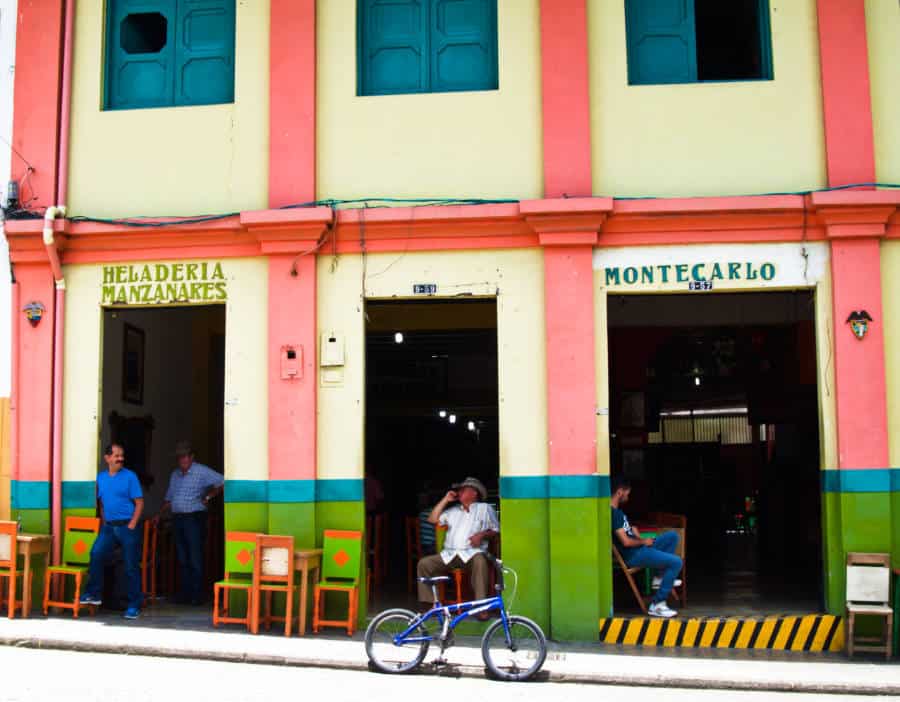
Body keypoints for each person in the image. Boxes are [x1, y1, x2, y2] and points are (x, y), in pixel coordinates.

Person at [416, 477, 498, 619]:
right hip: (450, 555)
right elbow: (432, 519)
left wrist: (482, 534)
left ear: (474, 493)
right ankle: (430, 605)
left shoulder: (485, 508)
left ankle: (481, 607)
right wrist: (445, 500)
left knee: (480, 560)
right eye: (459, 490)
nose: (459, 492)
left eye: (463, 490)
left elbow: (496, 530)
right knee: (424, 564)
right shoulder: (452, 511)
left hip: (473, 554)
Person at [79, 443, 145, 619]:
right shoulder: (101, 478)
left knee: (131, 566)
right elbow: (101, 502)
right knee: (96, 554)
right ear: (107, 458)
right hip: (109, 527)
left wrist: (132, 524)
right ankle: (93, 593)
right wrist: (104, 521)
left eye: (122, 455)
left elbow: (139, 503)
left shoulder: (130, 477)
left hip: (127, 526)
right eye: (116, 455)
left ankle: (134, 605)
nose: (120, 458)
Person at [156, 440, 225, 605]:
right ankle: (185, 594)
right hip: (178, 519)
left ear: (191, 457)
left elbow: (223, 481)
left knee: (194, 557)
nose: (182, 460)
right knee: (182, 557)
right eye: (180, 457)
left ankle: (196, 594)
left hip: (194, 518)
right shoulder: (175, 474)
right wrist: (159, 514)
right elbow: (169, 498)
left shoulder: (201, 471)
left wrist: (208, 497)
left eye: (185, 457)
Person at [610, 477, 682, 618]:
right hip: (634, 555)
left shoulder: (618, 512)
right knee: (676, 562)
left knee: (672, 536)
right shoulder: (614, 513)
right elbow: (625, 542)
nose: (628, 497)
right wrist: (642, 541)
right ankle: (657, 604)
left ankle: (659, 577)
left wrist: (634, 533)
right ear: (619, 492)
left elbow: (627, 534)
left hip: (639, 548)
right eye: (627, 493)